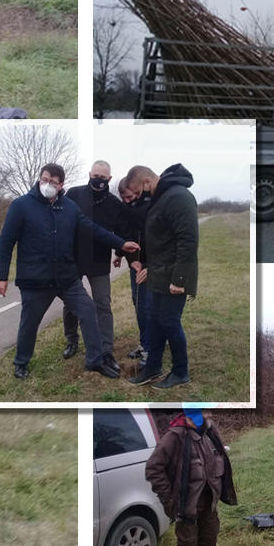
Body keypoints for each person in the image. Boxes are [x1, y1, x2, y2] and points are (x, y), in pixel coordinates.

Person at [0, 164, 140, 380]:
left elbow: (92, 229)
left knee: (89, 310)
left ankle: (95, 361)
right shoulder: (21, 206)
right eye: (45, 179)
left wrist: (121, 244)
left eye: (53, 182)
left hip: (66, 278)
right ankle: (21, 362)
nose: (48, 184)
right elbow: (6, 242)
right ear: (40, 179)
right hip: (35, 280)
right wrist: (1, 276)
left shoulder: (69, 207)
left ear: (61, 185)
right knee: (29, 323)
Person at [145, 406, 236, 546]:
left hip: (209, 499)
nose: (208, 415)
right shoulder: (174, 437)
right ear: (191, 416)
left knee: (209, 536)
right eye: (204, 413)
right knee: (187, 542)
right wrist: (169, 498)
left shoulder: (210, 431)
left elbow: (220, 457)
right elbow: (153, 468)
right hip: (187, 503)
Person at [125, 164, 199, 389]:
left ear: (147, 181)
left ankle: (180, 371)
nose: (137, 197)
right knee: (154, 321)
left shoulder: (178, 196)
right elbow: (158, 240)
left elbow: (188, 240)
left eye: (138, 192)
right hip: (158, 275)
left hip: (173, 277)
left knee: (169, 322)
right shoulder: (162, 198)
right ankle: (153, 367)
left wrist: (180, 280)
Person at [62, 160, 131, 373]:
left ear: (109, 179)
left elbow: (121, 233)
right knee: (71, 304)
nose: (98, 180)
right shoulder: (73, 194)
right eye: (95, 176)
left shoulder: (114, 204)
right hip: (74, 259)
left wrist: (120, 252)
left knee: (103, 304)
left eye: (103, 178)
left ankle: (106, 350)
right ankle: (71, 340)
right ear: (89, 174)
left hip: (99, 261)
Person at [116, 177, 153, 365]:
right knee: (137, 302)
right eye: (124, 198)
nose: (128, 201)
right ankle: (144, 343)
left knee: (148, 306)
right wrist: (123, 256)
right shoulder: (125, 209)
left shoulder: (153, 205)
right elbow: (126, 235)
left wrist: (151, 265)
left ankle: (151, 349)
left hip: (153, 265)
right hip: (136, 264)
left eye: (130, 197)